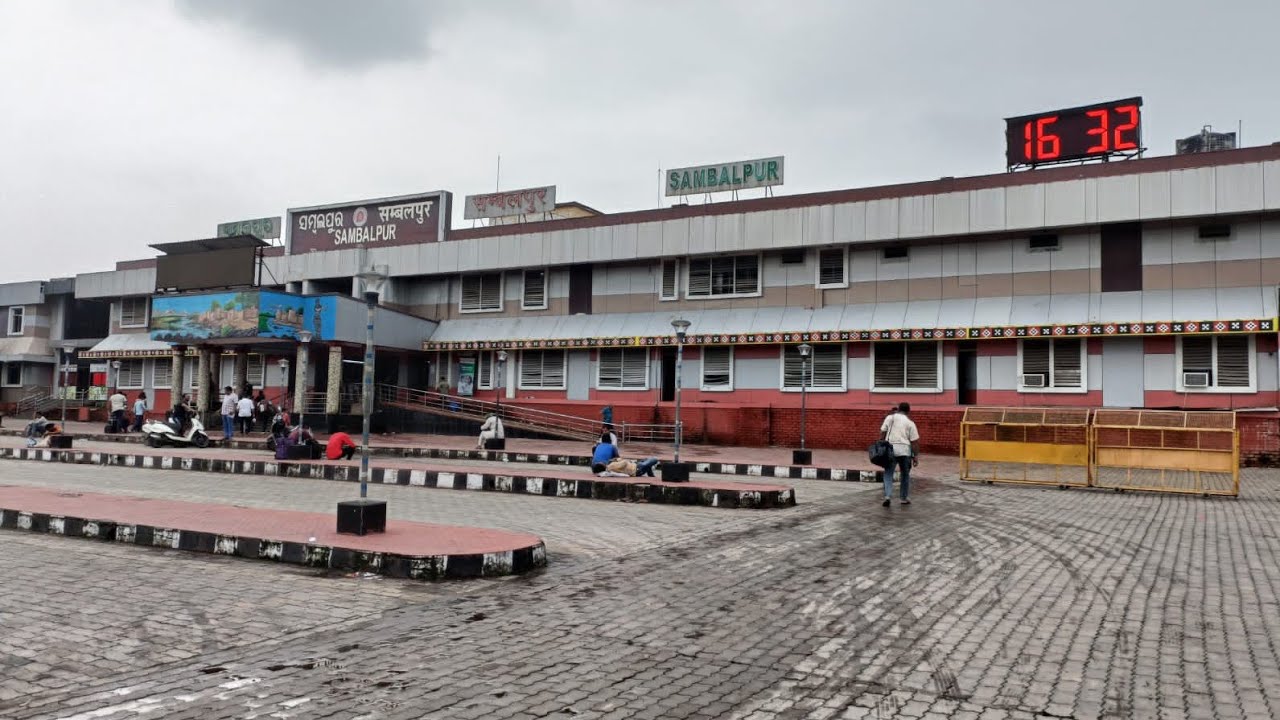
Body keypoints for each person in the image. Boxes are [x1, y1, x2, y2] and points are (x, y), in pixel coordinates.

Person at [880, 402, 920, 506]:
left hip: (890, 450)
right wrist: (915, 456)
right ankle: (903, 498)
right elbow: (914, 442)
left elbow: (883, 431)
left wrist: (881, 443)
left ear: (898, 409)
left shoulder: (890, 418)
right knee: (905, 475)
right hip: (905, 451)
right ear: (908, 411)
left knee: (888, 473)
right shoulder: (910, 423)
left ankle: (887, 496)